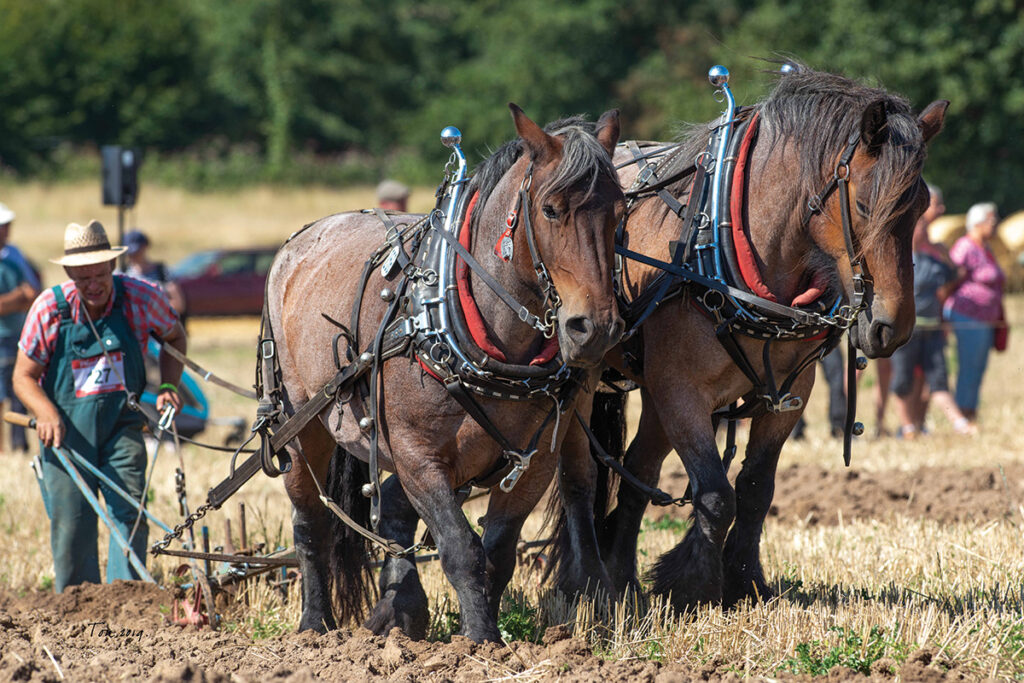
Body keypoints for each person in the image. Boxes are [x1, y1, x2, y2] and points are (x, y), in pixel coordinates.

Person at [13, 220, 186, 592]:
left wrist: (170, 384)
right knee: (72, 521)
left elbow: (175, 336)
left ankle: (127, 599)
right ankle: (78, 603)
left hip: (122, 424)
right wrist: (45, 412)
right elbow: (22, 377)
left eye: (99, 275)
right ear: (68, 273)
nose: (92, 285)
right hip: (66, 432)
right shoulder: (49, 309)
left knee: (129, 511)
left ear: (112, 267)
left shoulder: (143, 297)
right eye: (82, 278)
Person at [889, 186, 974, 438]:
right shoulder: (897, 262)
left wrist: (943, 252)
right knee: (903, 380)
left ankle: (957, 424)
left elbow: (957, 274)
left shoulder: (934, 260)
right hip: (907, 331)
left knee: (937, 379)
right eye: (920, 227)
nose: (924, 231)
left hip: (932, 329)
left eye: (926, 227)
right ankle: (908, 427)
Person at [945, 202, 1005, 422]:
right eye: (992, 219)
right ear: (978, 223)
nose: (996, 224)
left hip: (985, 318)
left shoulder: (986, 249)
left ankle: (971, 410)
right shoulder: (965, 247)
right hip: (968, 316)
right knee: (969, 366)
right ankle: (962, 413)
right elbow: (950, 280)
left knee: (978, 366)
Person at [0, 203, 40, 452]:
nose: (7, 231)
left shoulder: (14, 255)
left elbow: (32, 293)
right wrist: (17, 299)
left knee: (18, 390)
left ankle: (18, 445)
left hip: (16, 334)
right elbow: (23, 296)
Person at [123, 229, 185, 316]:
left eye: (137, 251)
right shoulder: (123, 274)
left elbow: (178, 304)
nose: (134, 255)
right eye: (130, 253)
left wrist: (154, 309)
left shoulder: (162, 271)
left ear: (145, 247)